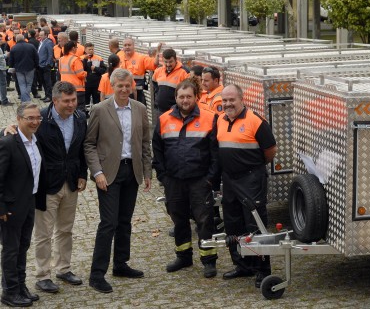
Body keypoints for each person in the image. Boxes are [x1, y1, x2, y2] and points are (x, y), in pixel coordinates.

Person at [84, 68, 152, 294]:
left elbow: (144, 143)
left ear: (132, 86)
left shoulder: (140, 109)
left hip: (131, 172)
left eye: (127, 85)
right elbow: (89, 144)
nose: (124, 89)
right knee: (108, 223)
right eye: (120, 86)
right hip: (108, 175)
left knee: (125, 221)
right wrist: (97, 172)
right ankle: (97, 274)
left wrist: (147, 172)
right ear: (112, 86)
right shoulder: (100, 109)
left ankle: (121, 264)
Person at [152, 78, 219, 278]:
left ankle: (209, 260)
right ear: (176, 98)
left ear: (196, 97)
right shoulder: (164, 119)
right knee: (178, 219)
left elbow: (216, 153)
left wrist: (210, 179)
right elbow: (157, 150)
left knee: (204, 220)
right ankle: (183, 256)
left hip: (200, 180)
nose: (185, 100)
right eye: (181, 96)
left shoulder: (210, 118)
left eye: (189, 96)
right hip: (174, 180)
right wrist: (163, 176)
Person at [218, 84, 277, 288]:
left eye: (231, 100)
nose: (227, 104)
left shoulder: (256, 121)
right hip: (230, 180)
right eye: (224, 100)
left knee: (255, 226)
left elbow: (270, 151)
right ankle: (242, 265)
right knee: (233, 224)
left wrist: (253, 168)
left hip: (251, 179)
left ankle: (262, 270)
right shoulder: (220, 119)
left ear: (241, 99)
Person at [32, 81, 87, 293]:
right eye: (67, 101)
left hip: (71, 182)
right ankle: (42, 275)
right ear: (55, 100)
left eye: (74, 100)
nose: (72, 104)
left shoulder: (81, 118)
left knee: (65, 230)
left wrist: (82, 174)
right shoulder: (40, 120)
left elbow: (81, 149)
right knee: (44, 233)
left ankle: (64, 268)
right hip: (47, 184)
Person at [0, 102, 46, 307]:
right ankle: (9, 291)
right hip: (10, 207)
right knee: (11, 249)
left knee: (23, 246)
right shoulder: (9, 142)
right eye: (30, 118)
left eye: (37, 117)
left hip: (29, 201)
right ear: (18, 119)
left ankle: (20, 285)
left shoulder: (36, 140)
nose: (35, 121)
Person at [118, 38, 157, 105]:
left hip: (138, 95)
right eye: (125, 45)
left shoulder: (141, 58)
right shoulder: (118, 57)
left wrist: (158, 52)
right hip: (122, 94)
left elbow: (154, 64)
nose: (127, 47)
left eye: (129, 45)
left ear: (133, 46)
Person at [151, 48, 189, 114]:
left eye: (170, 62)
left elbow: (188, 92)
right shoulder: (158, 71)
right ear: (163, 60)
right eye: (166, 62)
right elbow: (155, 85)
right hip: (160, 110)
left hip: (176, 111)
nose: (168, 64)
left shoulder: (184, 72)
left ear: (176, 60)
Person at [8, 34, 39, 102]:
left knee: (22, 84)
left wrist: (11, 67)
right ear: (24, 39)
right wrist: (36, 66)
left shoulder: (14, 47)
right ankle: (26, 99)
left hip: (19, 69)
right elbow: (36, 57)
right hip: (30, 68)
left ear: (16, 40)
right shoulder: (31, 46)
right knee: (29, 84)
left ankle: (25, 99)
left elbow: (11, 60)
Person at [59, 41, 86, 113]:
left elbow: (60, 72)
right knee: (79, 110)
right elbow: (80, 74)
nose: (77, 49)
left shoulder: (61, 59)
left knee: (68, 109)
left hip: (64, 88)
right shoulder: (75, 59)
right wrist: (86, 73)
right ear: (73, 48)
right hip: (77, 89)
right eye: (76, 47)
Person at [81, 43, 106, 108]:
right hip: (86, 83)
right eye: (89, 49)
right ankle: (86, 114)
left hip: (96, 83)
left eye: (92, 49)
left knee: (96, 101)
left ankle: (96, 113)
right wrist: (85, 60)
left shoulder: (98, 58)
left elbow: (103, 70)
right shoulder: (81, 58)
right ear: (85, 50)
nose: (91, 51)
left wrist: (95, 68)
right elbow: (81, 69)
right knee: (86, 100)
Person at [38, 28, 55, 103]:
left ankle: (49, 96)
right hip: (40, 65)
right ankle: (46, 95)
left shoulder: (48, 42)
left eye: (41, 35)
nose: (40, 36)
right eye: (40, 35)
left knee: (47, 81)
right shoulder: (41, 42)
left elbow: (50, 54)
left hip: (45, 65)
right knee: (43, 81)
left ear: (46, 35)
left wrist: (47, 64)